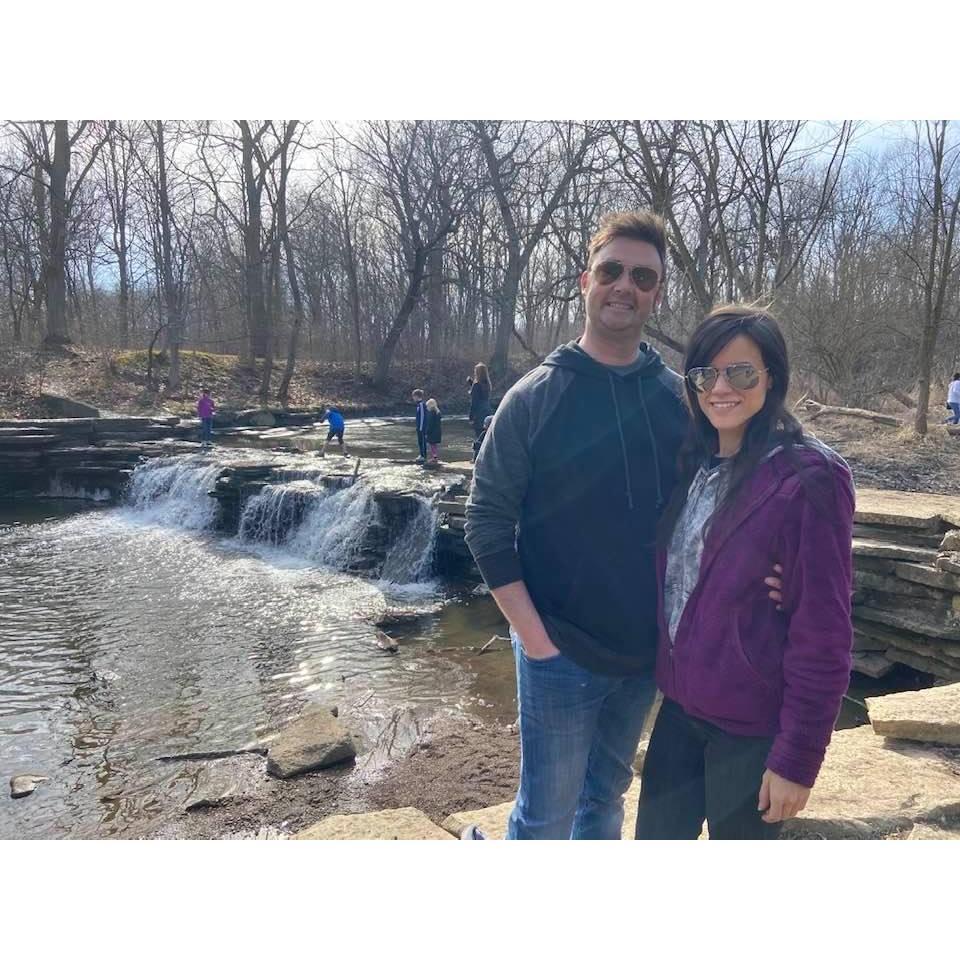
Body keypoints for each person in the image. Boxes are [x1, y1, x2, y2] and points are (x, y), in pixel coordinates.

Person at [464, 210, 691, 840]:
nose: (626, 286)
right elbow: (485, 523)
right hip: (558, 651)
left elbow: (720, 507)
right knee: (545, 815)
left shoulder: (679, 400)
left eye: (642, 277)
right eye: (612, 270)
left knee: (605, 802)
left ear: (657, 294)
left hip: (644, 654)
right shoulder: (534, 398)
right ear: (583, 280)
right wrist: (535, 639)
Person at [635, 306, 855, 840]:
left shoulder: (809, 479)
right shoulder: (696, 465)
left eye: (742, 372)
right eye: (706, 374)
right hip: (680, 714)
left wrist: (797, 760)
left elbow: (824, 635)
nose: (721, 388)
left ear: (772, 378)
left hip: (751, 730)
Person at [467, 363, 492, 438]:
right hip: (487, 411)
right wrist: (472, 384)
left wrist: (470, 417)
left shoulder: (477, 385)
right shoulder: (487, 384)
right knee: (486, 435)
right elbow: (481, 394)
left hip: (479, 414)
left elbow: (474, 402)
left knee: (479, 436)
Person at [412, 389, 428, 462]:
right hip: (419, 427)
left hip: (422, 427)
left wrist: (421, 427)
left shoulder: (421, 404)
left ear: (417, 396)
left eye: (414, 396)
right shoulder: (418, 405)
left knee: (423, 441)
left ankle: (423, 455)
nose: (413, 398)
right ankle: (421, 454)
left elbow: (422, 416)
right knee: (420, 441)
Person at [425, 398, 442, 462]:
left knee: (432, 445)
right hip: (437, 431)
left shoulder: (432, 413)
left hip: (432, 432)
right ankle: (435, 456)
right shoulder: (438, 412)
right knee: (434, 445)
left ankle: (434, 457)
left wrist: (427, 432)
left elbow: (430, 424)